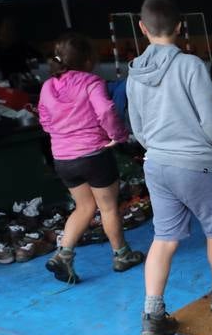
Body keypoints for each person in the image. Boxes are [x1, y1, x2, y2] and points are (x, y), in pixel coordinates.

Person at [127, 0, 212, 335]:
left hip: (157, 164)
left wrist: (156, 148)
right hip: (196, 163)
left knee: (164, 238)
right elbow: (211, 120)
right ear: (181, 27)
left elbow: (136, 126)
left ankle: (152, 313)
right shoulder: (191, 65)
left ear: (142, 28)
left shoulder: (134, 73)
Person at [37, 32, 145, 283]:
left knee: (84, 207)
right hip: (94, 155)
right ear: (87, 60)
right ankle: (122, 256)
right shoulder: (90, 81)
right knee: (107, 207)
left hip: (63, 159)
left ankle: (63, 254)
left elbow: (44, 119)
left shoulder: (47, 86)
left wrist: (62, 135)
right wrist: (118, 135)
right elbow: (106, 110)